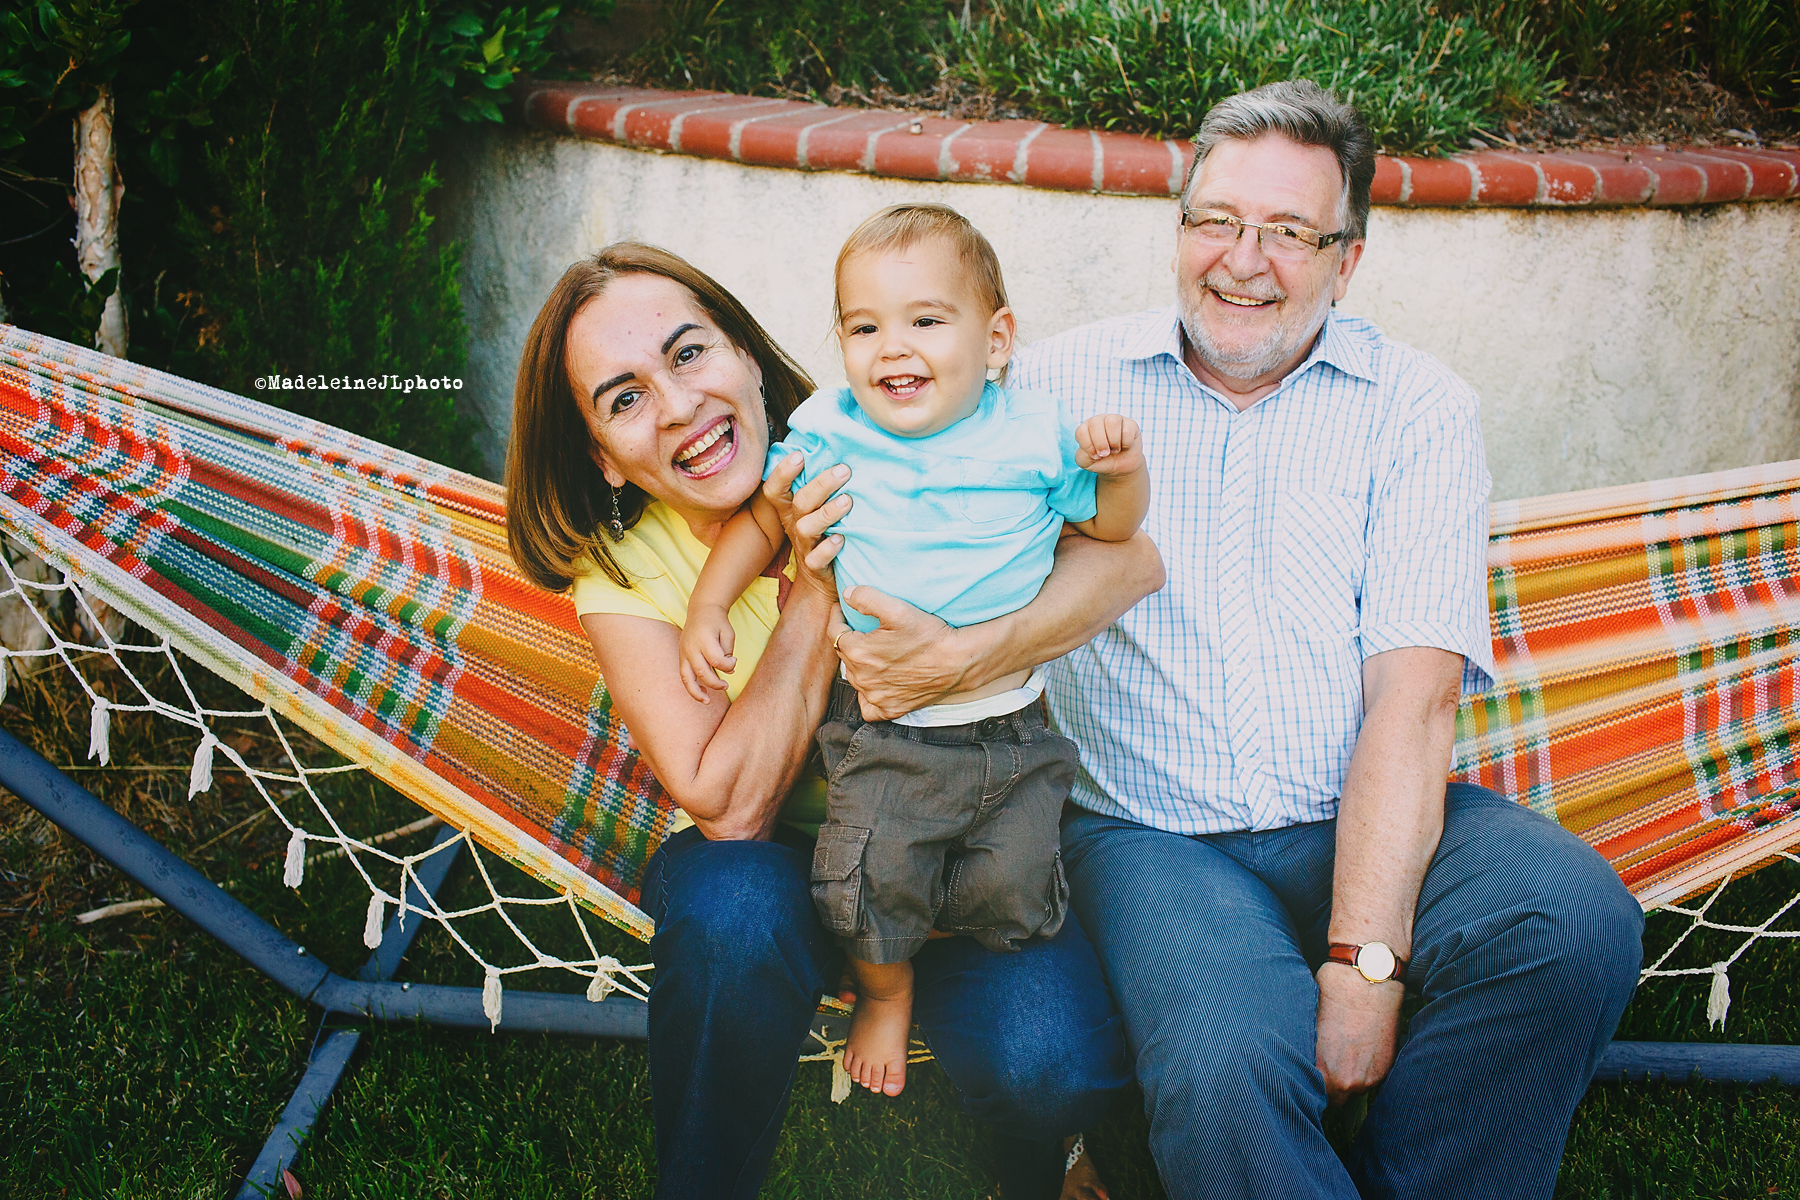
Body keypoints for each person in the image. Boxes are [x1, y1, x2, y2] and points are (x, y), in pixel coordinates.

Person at [983, 80, 1644, 1199]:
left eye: (1291, 232)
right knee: (1229, 1059)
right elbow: (926, 495)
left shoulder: (1417, 408)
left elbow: (1415, 696)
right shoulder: (1055, 388)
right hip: (1153, 833)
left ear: (1349, 260)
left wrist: (1365, 965)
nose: (1244, 261)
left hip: (1359, 806)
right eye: (1217, 220)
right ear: (1179, 225)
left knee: (1573, 922)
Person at [504, 241, 1156, 1199]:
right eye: (626, 397)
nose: (678, 404)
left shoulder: (899, 439)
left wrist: (972, 652)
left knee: (1049, 1058)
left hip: (964, 840)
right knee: (726, 904)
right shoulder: (626, 570)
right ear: (604, 457)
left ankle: (1048, 1158)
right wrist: (817, 581)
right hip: (780, 882)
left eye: (689, 355)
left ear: (746, 356)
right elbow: (726, 806)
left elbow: (1133, 563)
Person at [676, 204, 1150, 1098]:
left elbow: (1115, 529)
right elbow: (763, 523)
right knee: (873, 876)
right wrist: (709, 602)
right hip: (886, 727)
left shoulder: (1036, 434)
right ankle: (886, 995)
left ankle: (957, 965)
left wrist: (1124, 473)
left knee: (1013, 887)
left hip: (1011, 722)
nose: (892, 347)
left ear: (996, 337)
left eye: (926, 321)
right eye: (864, 327)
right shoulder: (832, 430)